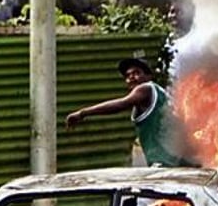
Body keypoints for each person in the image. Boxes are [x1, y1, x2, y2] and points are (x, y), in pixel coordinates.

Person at [65, 57, 198, 168]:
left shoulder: (145, 88)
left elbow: (120, 104)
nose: (131, 78)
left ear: (148, 76)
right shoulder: (161, 95)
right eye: (127, 76)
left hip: (165, 164)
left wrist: (83, 113)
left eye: (136, 73)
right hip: (179, 162)